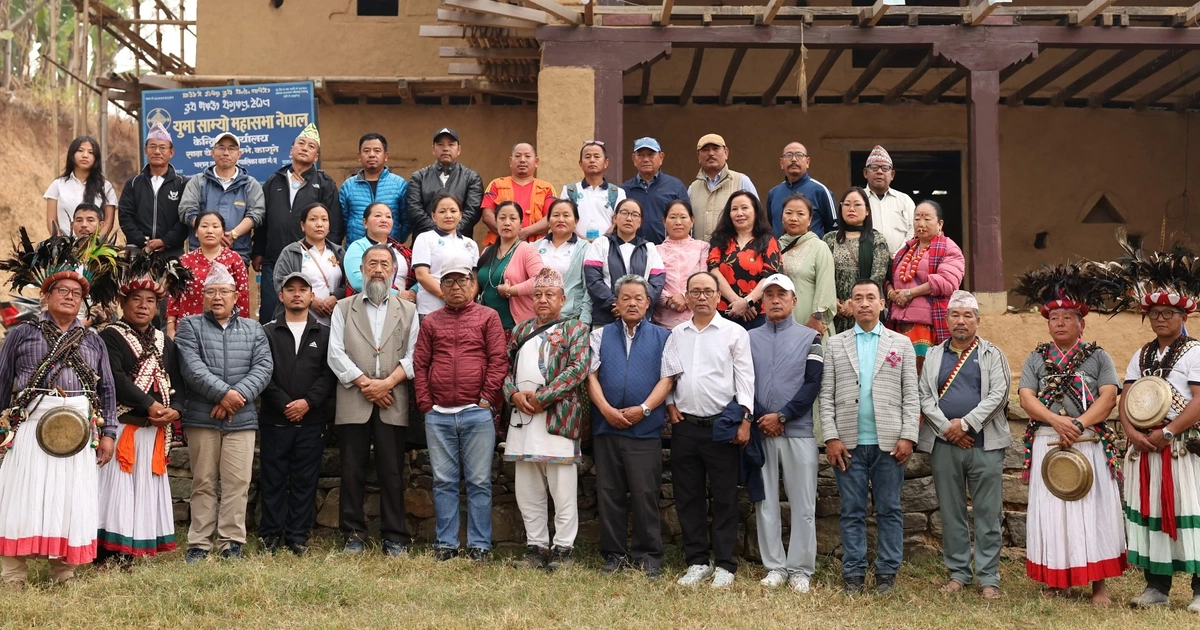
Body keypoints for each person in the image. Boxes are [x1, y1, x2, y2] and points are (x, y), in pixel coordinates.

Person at [0, 232, 118, 586]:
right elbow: (3, 380)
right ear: (46, 295)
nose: (70, 297)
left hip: (80, 432)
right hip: (31, 427)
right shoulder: (21, 333)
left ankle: (63, 573)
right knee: (22, 496)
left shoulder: (94, 340)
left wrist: (109, 433)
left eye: (77, 294)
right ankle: (13, 574)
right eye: (63, 291)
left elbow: (107, 390)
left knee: (70, 498)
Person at [1014, 268, 1124, 604]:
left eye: (1067, 317)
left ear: (1082, 323)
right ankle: (1056, 580)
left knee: (1094, 509)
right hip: (1048, 440)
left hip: (1087, 440)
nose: (1059, 323)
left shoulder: (1098, 356)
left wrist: (1077, 425)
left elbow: (1108, 396)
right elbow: (1025, 396)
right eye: (1054, 317)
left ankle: (1099, 584)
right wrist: (1054, 421)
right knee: (1052, 510)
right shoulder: (1036, 357)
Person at [820, 278, 919, 595]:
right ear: (849, 305)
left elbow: (911, 395)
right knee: (852, 510)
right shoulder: (836, 344)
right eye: (857, 298)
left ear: (881, 304)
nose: (864, 303)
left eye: (870, 298)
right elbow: (826, 396)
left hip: (890, 444)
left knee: (889, 509)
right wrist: (830, 437)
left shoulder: (900, 343)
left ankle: (887, 574)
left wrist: (908, 436)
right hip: (848, 443)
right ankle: (853, 574)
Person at [1114, 252, 1200, 612]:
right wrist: (1132, 432)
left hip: (1180, 447)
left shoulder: (1195, 352)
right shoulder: (1142, 354)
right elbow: (1127, 396)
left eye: (1168, 313)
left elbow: (1199, 400)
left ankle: (1199, 591)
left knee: (1192, 512)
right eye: (1155, 314)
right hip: (1145, 449)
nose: (1160, 319)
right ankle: (1156, 588)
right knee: (1150, 514)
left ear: (1183, 316)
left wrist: (1168, 433)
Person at [175, 262, 273, 562]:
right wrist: (223, 394)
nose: (218, 297)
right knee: (203, 481)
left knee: (237, 482)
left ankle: (231, 542)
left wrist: (236, 396)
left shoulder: (254, 329)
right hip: (202, 417)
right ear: (203, 296)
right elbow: (191, 368)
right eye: (211, 292)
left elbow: (264, 367)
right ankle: (199, 543)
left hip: (241, 419)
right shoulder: (189, 326)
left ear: (236, 296)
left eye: (224, 292)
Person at [917, 290, 1011, 600]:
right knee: (951, 512)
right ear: (946, 320)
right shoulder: (933, 355)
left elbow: (999, 395)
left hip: (985, 446)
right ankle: (958, 573)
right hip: (945, 446)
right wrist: (947, 428)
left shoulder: (992, 354)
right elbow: (924, 397)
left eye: (968, 315)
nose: (961, 321)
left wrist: (966, 424)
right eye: (955, 315)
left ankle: (988, 577)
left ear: (977, 321)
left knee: (987, 513)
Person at [96, 250, 188, 565]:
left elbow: (178, 382)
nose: (143, 306)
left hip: (154, 430)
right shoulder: (110, 336)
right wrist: (150, 404)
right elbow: (115, 379)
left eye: (150, 300)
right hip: (124, 427)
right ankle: (107, 550)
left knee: (144, 488)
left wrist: (175, 409)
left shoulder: (166, 342)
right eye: (136, 299)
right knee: (116, 490)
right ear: (123, 303)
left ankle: (135, 549)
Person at [413, 256, 507, 562]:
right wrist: (426, 403)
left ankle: (479, 545)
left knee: (479, 482)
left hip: (476, 412)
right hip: (438, 414)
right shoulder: (431, 321)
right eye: (449, 281)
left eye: (462, 280)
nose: (456, 287)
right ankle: (446, 544)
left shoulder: (488, 317)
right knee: (443, 482)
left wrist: (486, 398)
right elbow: (421, 362)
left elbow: (498, 360)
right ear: (440, 287)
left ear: (472, 284)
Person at [327, 245, 420, 556]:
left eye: (384, 264)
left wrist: (386, 384)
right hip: (355, 396)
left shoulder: (408, 310)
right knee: (352, 469)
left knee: (392, 470)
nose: (378, 269)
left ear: (394, 271)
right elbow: (335, 353)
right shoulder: (343, 307)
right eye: (372, 263)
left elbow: (414, 355)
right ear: (362, 270)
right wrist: (366, 384)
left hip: (393, 398)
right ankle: (353, 534)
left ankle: (394, 536)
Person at [587, 275, 681, 578]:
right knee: (610, 493)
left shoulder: (663, 337)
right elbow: (591, 377)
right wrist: (605, 410)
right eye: (625, 297)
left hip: (645, 429)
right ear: (616, 302)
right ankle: (614, 554)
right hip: (607, 427)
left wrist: (644, 409)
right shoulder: (600, 335)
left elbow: (667, 379)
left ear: (648, 302)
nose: (631, 303)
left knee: (645, 494)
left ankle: (649, 556)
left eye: (638, 298)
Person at [666, 271, 755, 588]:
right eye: (695, 291)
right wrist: (670, 404)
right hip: (685, 427)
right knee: (687, 496)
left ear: (719, 296)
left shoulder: (734, 333)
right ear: (687, 297)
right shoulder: (677, 333)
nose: (701, 296)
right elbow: (670, 375)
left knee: (725, 497)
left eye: (707, 291)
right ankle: (697, 561)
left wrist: (745, 419)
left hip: (722, 427)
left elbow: (745, 379)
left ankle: (726, 564)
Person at [503, 268, 591, 570]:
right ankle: (536, 546)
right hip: (522, 417)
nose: (542, 299)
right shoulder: (520, 330)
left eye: (549, 294)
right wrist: (514, 394)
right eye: (537, 294)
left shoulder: (575, 329)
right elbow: (503, 368)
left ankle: (564, 549)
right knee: (527, 488)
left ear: (562, 298)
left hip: (557, 417)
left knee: (562, 489)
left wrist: (543, 397)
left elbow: (579, 368)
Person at [750, 274, 825, 593]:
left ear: (795, 301)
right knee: (765, 502)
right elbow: (741, 381)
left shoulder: (811, 338)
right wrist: (761, 417)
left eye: (783, 294)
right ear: (762, 302)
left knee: (803, 503)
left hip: (798, 430)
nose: (776, 299)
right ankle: (775, 567)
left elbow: (813, 383)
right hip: (760, 431)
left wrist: (782, 416)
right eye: (770, 294)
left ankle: (800, 569)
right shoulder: (748, 338)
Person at [258, 273, 337, 556]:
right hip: (274, 419)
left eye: (303, 290)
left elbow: (329, 374)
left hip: (311, 421)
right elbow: (262, 373)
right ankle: (269, 535)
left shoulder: (325, 333)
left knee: (305, 480)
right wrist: (284, 403)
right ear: (281, 296)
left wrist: (307, 402)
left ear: (311, 296)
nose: (296, 294)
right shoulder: (266, 332)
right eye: (290, 290)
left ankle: (297, 536)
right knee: (273, 479)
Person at [254, 124, 342, 323]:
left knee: (308, 317)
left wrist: (330, 254)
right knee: (271, 315)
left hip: (310, 260)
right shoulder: (273, 181)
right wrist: (258, 251)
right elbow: (263, 219)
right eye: (301, 144)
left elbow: (334, 224)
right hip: (274, 258)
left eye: (311, 146)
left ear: (316, 157)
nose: (304, 148)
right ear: (291, 150)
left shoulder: (325, 183)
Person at [886, 200, 966, 373]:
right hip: (899, 324)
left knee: (924, 376)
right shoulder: (905, 249)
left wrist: (910, 293)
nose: (921, 224)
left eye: (927, 219)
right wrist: (892, 293)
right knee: (899, 375)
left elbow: (947, 282)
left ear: (940, 224)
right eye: (917, 219)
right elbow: (889, 278)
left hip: (927, 326)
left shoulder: (948, 248)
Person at [178, 132, 266, 264]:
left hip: (238, 254)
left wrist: (234, 234)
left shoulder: (251, 184)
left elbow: (257, 214)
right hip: (200, 256)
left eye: (231, 148)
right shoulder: (198, 181)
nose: (226, 153)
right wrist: (212, 235)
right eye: (221, 148)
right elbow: (187, 210)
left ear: (239, 154)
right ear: (212, 152)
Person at [167, 211, 251, 339]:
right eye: (204, 226)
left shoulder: (235, 259)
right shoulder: (184, 261)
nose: (209, 231)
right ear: (195, 232)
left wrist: (242, 332)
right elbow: (174, 297)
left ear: (223, 232)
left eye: (215, 226)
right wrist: (170, 328)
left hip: (225, 332)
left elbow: (242, 297)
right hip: (189, 330)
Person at [584, 198, 665, 327]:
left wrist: (637, 305)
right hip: (606, 318)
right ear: (615, 218)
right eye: (624, 213)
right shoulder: (601, 243)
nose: (629, 218)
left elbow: (657, 283)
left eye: (634, 215)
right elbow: (593, 279)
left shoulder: (649, 248)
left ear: (640, 222)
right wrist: (617, 304)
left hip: (641, 320)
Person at [707, 191, 782, 330]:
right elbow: (713, 270)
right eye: (734, 209)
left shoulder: (768, 240)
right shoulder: (719, 239)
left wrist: (748, 302)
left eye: (744, 208)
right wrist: (738, 302)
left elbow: (771, 276)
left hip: (758, 314)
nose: (739, 213)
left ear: (755, 211)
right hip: (725, 311)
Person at [824, 187, 892, 335]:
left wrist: (854, 301)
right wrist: (832, 300)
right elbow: (823, 275)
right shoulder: (829, 239)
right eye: (846, 204)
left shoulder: (877, 240)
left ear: (867, 210)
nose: (851, 209)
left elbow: (878, 276)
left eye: (857, 204)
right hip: (835, 310)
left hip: (865, 308)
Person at [118, 122, 189, 258]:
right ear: (146, 151)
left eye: (162, 147)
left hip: (172, 253)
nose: (157, 151)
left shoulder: (182, 183)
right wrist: (143, 242)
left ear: (171, 152)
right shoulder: (133, 184)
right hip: (138, 253)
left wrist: (165, 241)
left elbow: (184, 219)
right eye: (153, 147)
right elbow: (125, 216)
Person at [271, 203, 346, 324]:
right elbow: (280, 283)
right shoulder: (291, 252)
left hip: (334, 322)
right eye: (313, 219)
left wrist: (336, 297)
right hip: (299, 321)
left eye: (324, 219)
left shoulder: (339, 252)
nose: (319, 224)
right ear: (302, 225)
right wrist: (310, 300)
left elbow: (348, 284)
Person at [476, 201, 544, 332]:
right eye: (502, 218)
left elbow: (540, 280)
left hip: (516, 326)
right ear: (496, 222)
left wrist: (512, 291)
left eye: (513, 218)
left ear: (521, 223)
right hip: (486, 326)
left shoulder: (527, 250)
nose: (507, 223)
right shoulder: (487, 251)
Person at [411, 193, 481, 317]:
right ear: (433, 216)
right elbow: (421, 275)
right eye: (442, 211)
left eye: (453, 211)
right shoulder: (425, 239)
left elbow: (474, 277)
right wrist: (448, 297)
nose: (448, 215)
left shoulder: (470, 244)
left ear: (460, 215)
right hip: (431, 310)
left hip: (464, 310)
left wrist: (466, 300)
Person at [407, 128, 483, 239]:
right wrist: (437, 232)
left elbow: (473, 211)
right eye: (440, 144)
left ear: (459, 149)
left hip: (459, 243)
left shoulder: (472, 178)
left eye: (451, 144)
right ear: (433, 149)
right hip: (426, 242)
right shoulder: (418, 177)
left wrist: (451, 233)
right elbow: (414, 210)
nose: (446, 149)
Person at [778, 194, 836, 337]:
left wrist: (817, 317)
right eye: (789, 213)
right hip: (780, 321)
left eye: (800, 214)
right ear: (782, 217)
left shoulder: (819, 247)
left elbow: (826, 285)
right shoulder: (774, 247)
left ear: (810, 220)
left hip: (811, 323)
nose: (793, 218)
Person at [339, 132, 410, 246]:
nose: (371, 155)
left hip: (389, 250)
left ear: (386, 156)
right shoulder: (348, 186)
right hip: (357, 249)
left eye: (377, 151)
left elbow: (407, 222)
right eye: (366, 151)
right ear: (359, 156)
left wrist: (394, 240)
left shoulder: (399, 184)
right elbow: (343, 221)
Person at [687, 133, 758, 243]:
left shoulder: (742, 181)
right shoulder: (692, 188)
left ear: (726, 153)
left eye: (716, 149)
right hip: (701, 256)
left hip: (734, 255)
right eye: (705, 150)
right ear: (698, 157)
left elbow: (757, 218)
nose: (711, 153)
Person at [481, 142, 554, 246]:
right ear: (510, 161)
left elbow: (550, 218)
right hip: (500, 246)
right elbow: (487, 215)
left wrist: (525, 232)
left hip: (536, 246)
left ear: (536, 161)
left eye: (527, 156)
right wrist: (509, 234)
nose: (522, 160)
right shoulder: (496, 184)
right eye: (518, 156)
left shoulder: (547, 188)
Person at [44, 135, 117, 236]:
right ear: (72, 154)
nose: (85, 155)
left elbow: (109, 222)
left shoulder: (105, 187)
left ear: (96, 159)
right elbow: (51, 219)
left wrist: (94, 245)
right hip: (65, 246)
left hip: (95, 248)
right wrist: (60, 244)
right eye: (80, 150)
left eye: (90, 152)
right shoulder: (58, 185)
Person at [621, 137, 690, 244]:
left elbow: (687, 222)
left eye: (651, 154)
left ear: (661, 157)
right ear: (634, 159)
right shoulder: (624, 190)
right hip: (633, 251)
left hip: (668, 251)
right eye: (640, 155)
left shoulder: (676, 186)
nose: (645, 159)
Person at [344, 201, 416, 301]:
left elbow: (421, 274)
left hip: (402, 307)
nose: (384, 220)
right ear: (365, 222)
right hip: (367, 305)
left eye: (388, 217)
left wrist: (413, 292)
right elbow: (358, 282)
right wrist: (397, 294)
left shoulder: (401, 250)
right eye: (378, 216)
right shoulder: (358, 247)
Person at [654, 199, 709, 329]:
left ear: (692, 221)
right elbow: (652, 282)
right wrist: (669, 300)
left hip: (696, 319)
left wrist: (685, 296)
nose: (678, 222)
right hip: (663, 322)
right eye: (672, 217)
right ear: (664, 221)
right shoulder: (654, 250)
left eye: (683, 217)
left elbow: (704, 278)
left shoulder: (702, 247)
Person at [766, 142, 838, 239]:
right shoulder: (773, 193)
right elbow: (773, 224)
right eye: (789, 155)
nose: (794, 159)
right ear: (781, 163)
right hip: (779, 252)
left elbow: (833, 231)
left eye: (799, 155)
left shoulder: (821, 191)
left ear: (807, 162)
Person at [534, 198, 589, 323]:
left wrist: (584, 321)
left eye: (566, 215)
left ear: (576, 221)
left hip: (569, 318)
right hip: (536, 319)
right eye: (556, 215)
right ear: (548, 221)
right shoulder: (534, 247)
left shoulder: (585, 249)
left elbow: (588, 289)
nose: (561, 219)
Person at [562, 141, 627, 241]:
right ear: (580, 164)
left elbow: (619, 222)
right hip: (575, 247)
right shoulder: (569, 191)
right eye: (587, 157)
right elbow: (564, 220)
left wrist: (600, 242)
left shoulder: (617, 193)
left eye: (597, 156)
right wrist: (582, 242)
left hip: (607, 248)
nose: (592, 160)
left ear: (606, 163)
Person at [862, 146, 915, 255]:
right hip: (866, 262)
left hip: (901, 261)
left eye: (885, 168)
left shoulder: (905, 200)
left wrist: (898, 255)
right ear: (865, 173)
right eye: (874, 167)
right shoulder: (857, 199)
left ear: (892, 175)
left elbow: (914, 229)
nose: (880, 172)